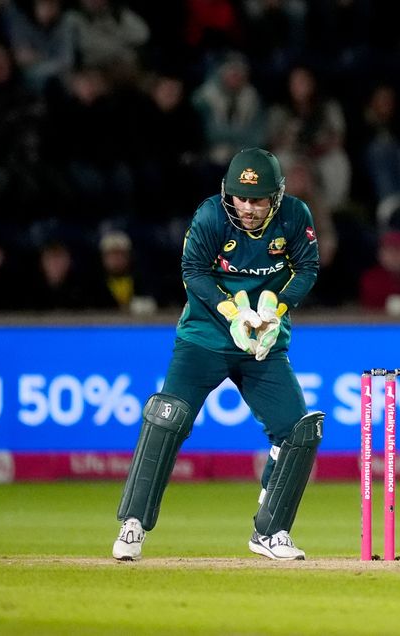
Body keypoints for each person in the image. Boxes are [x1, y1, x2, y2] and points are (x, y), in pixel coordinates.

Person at [112, 147, 322, 561]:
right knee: (167, 418)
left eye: (257, 199)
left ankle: (271, 531)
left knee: (298, 431)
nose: (247, 207)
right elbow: (193, 272)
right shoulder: (211, 215)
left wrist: (273, 311)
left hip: (262, 344)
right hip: (203, 338)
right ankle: (133, 524)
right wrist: (234, 312)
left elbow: (307, 267)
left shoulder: (295, 216)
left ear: (276, 196)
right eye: (241, 198)